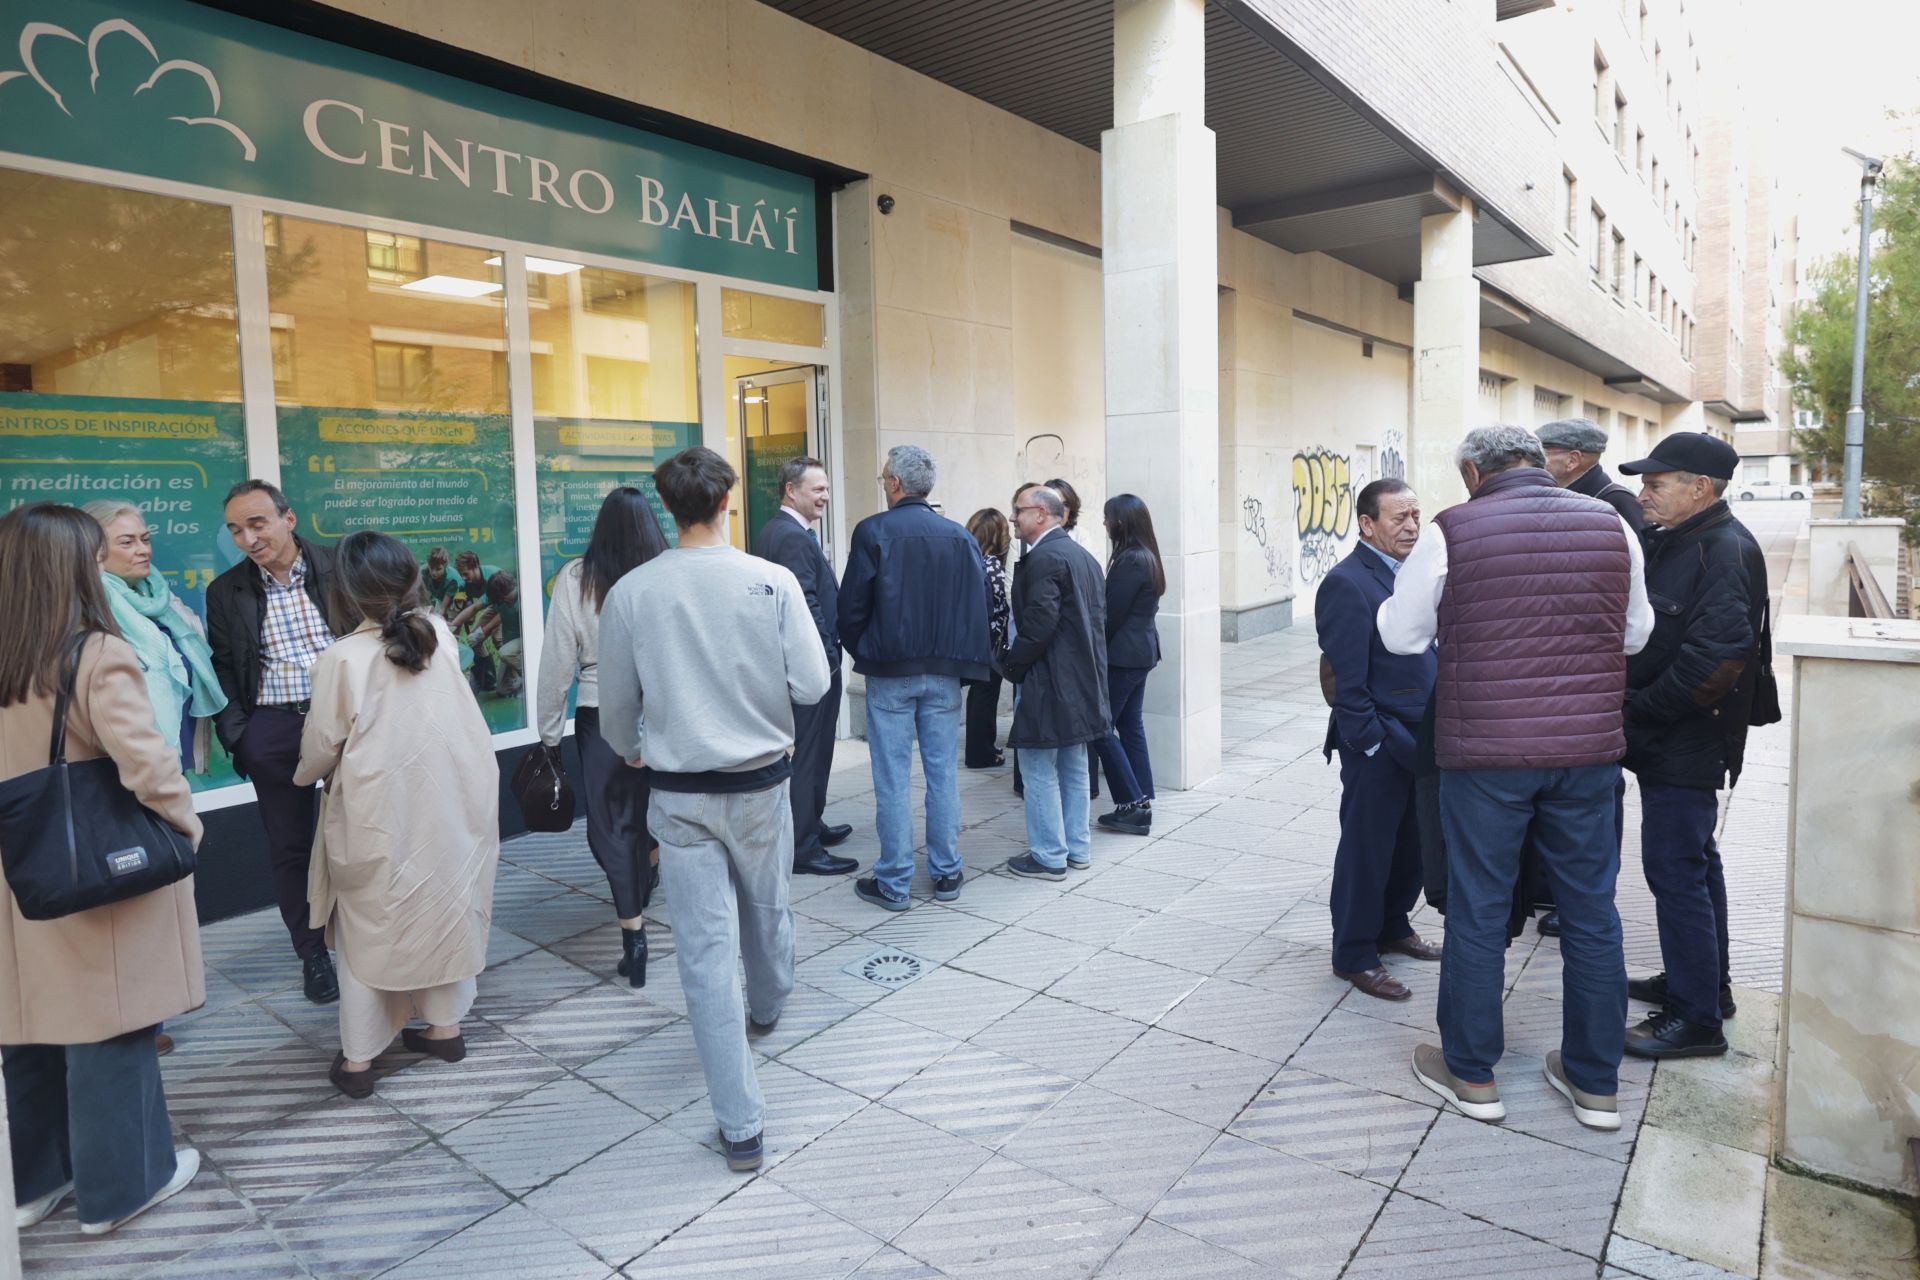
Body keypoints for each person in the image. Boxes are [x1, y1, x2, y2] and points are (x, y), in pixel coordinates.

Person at [1378, 425, 1653, 1132]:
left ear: (1474, 470)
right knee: (1592, 911)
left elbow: (1402, 636)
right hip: (1588, 751)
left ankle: (1473, 1075)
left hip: (1486, 754)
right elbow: (1634, 634)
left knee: (1478, 907)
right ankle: (1594, 1085)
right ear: (1539, 462)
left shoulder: (1453, 530)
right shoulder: (1610, 523)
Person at [597, 446, 829, 1173]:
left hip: (679, 793)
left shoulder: (631, 592)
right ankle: (768, 1002)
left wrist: (640, 745)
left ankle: (741, 1126)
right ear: (727, 500)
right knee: (769, 910)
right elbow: (815, 684)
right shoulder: (772, 579)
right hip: (761, 785)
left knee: (702, 954)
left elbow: (614, 716)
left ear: (670, 507)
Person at [0, 504, 203, 1235]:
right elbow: (148, 765)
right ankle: (123, 1188)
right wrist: (186, 826)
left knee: (24, 1028)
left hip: (13, 871)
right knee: (107, 1025)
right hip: (90, 864)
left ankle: (31, 1185)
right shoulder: (92, 654)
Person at [294, 532, 499, 1100]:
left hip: (376, 812)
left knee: (370, 922)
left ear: (345, 593)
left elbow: (319, 749)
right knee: (443, 902)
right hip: (451, 801)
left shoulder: (341, 659)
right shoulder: (441, 636)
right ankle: (445, 1030)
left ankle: (359, 1061)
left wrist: (302, 775)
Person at [1615, 433, 1768, 1059]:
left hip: (1686, 738)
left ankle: (1696, 1020)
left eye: (1657, 482)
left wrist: (1635, 713)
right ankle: (1704, 985)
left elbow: (1716, 665)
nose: (1644, 493)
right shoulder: (1677, 540)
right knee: (1696, 866)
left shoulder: (1724, 550)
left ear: (1699, 488)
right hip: (1668, 735)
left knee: (1676, 871)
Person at [85, 499, 229, 1059]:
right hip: (119, 775)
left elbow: (189, 673)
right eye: (128, 542)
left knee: (157, 899)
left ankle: (149, 1009)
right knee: (129, 902)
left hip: (162, 762)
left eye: (145, 538)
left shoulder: (158, 601)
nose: (144, 549)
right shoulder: (92, 611)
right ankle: (131, 1017)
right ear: (95, 552)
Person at [838, 445, 993, 912]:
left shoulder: (874, 531)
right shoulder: (958, 536)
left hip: (892, 672)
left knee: (892, 779)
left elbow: (851, 608)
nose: (884, 484)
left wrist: (864, 650)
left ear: (897, 484)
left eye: (885, 477)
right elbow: (978, 606)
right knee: (942, 773)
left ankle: (895, 879)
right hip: (943, 672)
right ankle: (946, 871)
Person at [206, 479, 341, 1004]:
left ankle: (368, 940)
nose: (248, 538)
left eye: (257, 523)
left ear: (289, 519)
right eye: (236, 530)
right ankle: (313, 956)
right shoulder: (227, 591)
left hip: (347, 722)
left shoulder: (339, 565)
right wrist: (243, 738)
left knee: (366, 833)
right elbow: (223, 666)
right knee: (291, 848)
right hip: (275, 728)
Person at [1314, 478, 1441, 1001]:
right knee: (1367, 849)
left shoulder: (1416, 572)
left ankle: (1393, 925)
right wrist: (1367, 741)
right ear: (1368, 525)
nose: (1412, 526)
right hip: (1379, 738)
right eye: (1399, 518)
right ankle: (1354, 953)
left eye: (1416, 515)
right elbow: (1345, 676)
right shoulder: (1348, 582)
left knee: (1413, 842)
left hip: (1422, 735)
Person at [536, 488, 668, 985]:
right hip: (663, 714)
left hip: (599, 715)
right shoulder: (665, 572)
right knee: (654, 807)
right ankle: (649, 862)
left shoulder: (577, 577)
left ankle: (633, 936)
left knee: (611, 825)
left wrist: (549, 732)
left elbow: (556, 660)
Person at [1532, 417, 1645, 938]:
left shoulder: (1611, 505)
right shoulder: (1580, 498)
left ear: (1572, 459)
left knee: (1600, 800)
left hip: (1598, 676)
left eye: (1544, 452)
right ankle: (1559, 891)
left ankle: (1584, 896)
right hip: (1579, 676)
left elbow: (1628, 608)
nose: (1537, 462)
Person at [752, 457, 857, 876]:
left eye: (828, 489)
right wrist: (827, 659)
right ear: (790, 490)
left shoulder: (786, 531)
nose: (826, 497)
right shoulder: (791, 537)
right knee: (810, 753)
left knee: (815, 750)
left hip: (806, 663)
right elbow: (806, 603)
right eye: (818, 489)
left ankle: (810, 822)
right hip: (810, 665)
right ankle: (802, 846)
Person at [1002, 486, 1110, 881]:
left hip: (1050, 681)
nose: (1013, 517)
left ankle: (1049, 855)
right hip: (1081, 680)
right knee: (1073, 765)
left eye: (1019, 510)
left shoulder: (1045, 558)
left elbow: (1039, 626)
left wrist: (1012, 664)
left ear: (1042, 514)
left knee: (1038, 767)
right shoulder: (1081, 557)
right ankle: (1077, 849)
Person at [1092, 495, 1164, 836]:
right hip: (1139, 654)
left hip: (1124, 656)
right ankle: (1142, 798)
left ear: (1121, 522)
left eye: (1107, 518)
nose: (1104, 524)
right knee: (1130, 725)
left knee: (1101, 726)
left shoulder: (1131, 560)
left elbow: (1110, 615)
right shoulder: (1145, 555)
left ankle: (1132, 805)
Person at [1045, 477, 1101, 801]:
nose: (1057, 509)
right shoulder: (1024, 542)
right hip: (1040, 645)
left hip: (1075, 643)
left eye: (1063, 504)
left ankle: (1083, 787)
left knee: (1078, 722)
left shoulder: (1083, 538)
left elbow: (1091, 588)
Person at [964, 508, 1013, 770]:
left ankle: (982, 748)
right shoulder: (993, 565)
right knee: (986, 694)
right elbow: (1000, 605)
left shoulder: (968, 559)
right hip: (991, 641)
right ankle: (981, 753)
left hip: (973, 638)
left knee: (978, 693)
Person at [421, 547, 457, 617]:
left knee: (450, 618)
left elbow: (443, 608)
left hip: (457, 599)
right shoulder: (423, 572)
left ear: (445, 566)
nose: (433, 573)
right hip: (438, 598)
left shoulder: (452, 579)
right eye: (431, 568)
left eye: (438, 569)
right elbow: (424, 598)